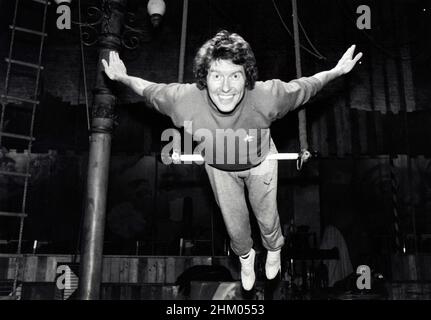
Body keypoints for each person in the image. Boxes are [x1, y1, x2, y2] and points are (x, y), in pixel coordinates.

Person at [102, 30, 362, 291]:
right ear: (204, 78)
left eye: (234, 76)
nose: (225, 87)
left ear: (246, 78)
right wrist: (123, 77)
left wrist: (336, 72)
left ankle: (273, 249)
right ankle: (246, 257)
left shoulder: (267, 96)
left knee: (266, 214)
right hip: (218, 166)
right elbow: (148, 90)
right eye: (217, 76)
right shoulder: (183, 101)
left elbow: (307, 86)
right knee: (235, 225)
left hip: (260, 160)